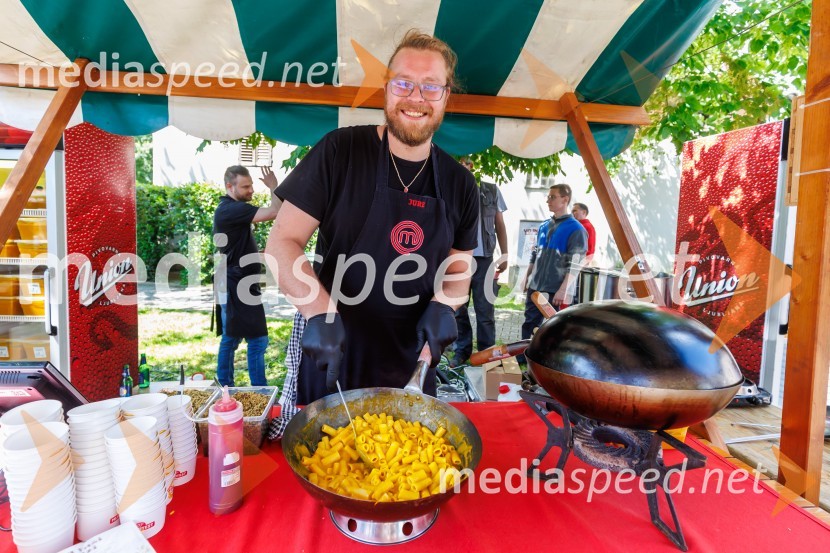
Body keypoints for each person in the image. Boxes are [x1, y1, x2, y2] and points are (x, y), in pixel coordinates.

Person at [266, 30, 479, 415]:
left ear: (447, 95)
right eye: (404, 83)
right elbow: (281, 243)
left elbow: (461, 261)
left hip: (414, 361)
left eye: (431, 86)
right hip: (334, 350)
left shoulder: (460, 182)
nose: (416, 97)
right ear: (386, 88)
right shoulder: (340, 151)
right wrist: (318, 312)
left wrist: (446, 304)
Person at [213, 165, 281, 387]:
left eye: (251, 185)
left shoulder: (230, 209)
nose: (251, 190)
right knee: (251, 340)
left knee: (235, 339)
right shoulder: (230, 209)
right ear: (229, 187)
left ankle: (228, 387)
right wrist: (274, 186)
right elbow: (274, 211)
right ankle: (251, 389)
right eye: (246, 186)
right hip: (236, 284)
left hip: (238, 282)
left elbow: (236, 244)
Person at [450, 158, 508, 367]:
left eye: (466, 162)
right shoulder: (449, 188)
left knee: (485, 311)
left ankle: (487, 356)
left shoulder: (491, 190)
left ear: (472, 166)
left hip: (484, 259)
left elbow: (499, 224)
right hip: (457, 259)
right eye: (459, 162)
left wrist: (505, 255)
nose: (462, 166)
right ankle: (461, 352)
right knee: (458, 309)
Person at [521, 184, 587, 344]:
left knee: (553, 330)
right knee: (528, 325)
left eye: (552, 197)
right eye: (548, 197)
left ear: (565, 199)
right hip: (535, 286)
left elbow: (575, 264)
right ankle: (523, 356)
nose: (547, 200)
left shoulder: (576, 229)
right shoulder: (544, 226)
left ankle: (547, 361)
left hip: (555, 289)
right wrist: (526, 277)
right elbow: (535, 255)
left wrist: (562, 290)